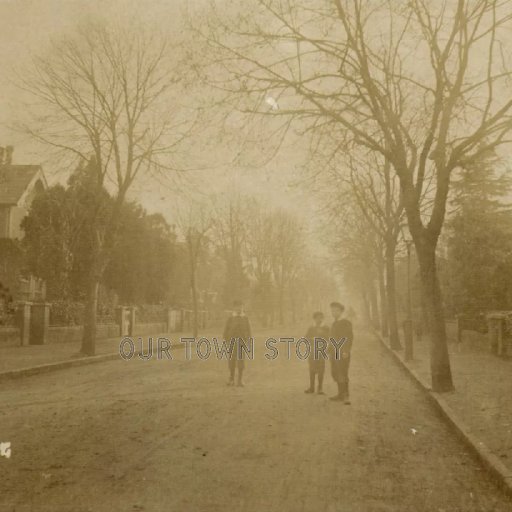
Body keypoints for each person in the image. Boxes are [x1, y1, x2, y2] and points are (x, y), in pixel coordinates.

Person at [328, 302, 354, 404]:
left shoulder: (346, 323)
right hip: (334, 352)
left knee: (343, 373)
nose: (333, 312)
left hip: (342, 352)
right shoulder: (334, 323)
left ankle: (346, 396)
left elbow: (349, 338)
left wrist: (346, 351)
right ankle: (340, 394)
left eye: (336, 310)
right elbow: (332, 338)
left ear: (341, 311)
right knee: (335, 372)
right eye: (332, 310)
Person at [223, 299, 252, 387]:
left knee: (241, 361)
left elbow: (249, 331)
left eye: (241, 307)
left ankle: (240, 380)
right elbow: (226, 331)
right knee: (231, 361)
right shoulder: (231, 318)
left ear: (243, 308)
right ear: (234, 308)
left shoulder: (245, 318)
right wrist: (227, 341)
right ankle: (231, 379)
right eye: (237, 307)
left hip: (242, 342)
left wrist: (248, 342)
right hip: (232, 342)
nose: (239, 308)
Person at [304, 311, 329, 395]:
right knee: (312, 369)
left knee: (321, 369)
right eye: (317, 318)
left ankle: (320, 388)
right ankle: (312, 387)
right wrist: (312, 339)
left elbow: (329, 338)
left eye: (321, 317)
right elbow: (306, 338)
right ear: (314, 319)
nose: (319, 319)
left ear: (323, 318)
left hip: (321, 351)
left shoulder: (326, 328)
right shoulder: (311, 328)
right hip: (312, 351)